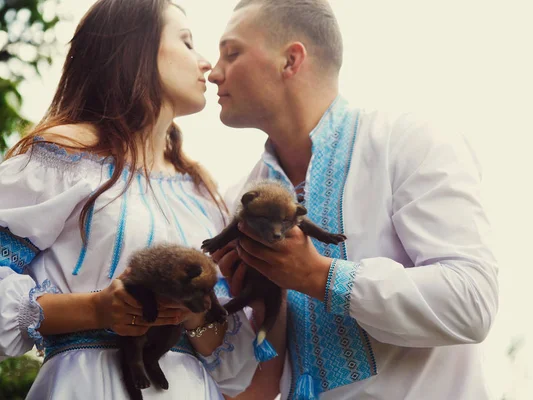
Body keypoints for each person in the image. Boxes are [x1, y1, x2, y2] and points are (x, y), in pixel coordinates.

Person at [208, 0, 500, 399]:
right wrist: (256, 309)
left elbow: (472, 301)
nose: (213, 72)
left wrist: (320, 276)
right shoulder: (234, 198)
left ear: (291, 60)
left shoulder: (409, 141)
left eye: (232, 53)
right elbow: (250, 378)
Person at [0, 0, 261, 398]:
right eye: (187, 42)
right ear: (134, 46)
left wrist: (193, 313)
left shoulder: (201, 191)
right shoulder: (62, 157)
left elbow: (233, 366)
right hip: (87, 385)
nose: (206, 62)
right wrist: (96, 310)